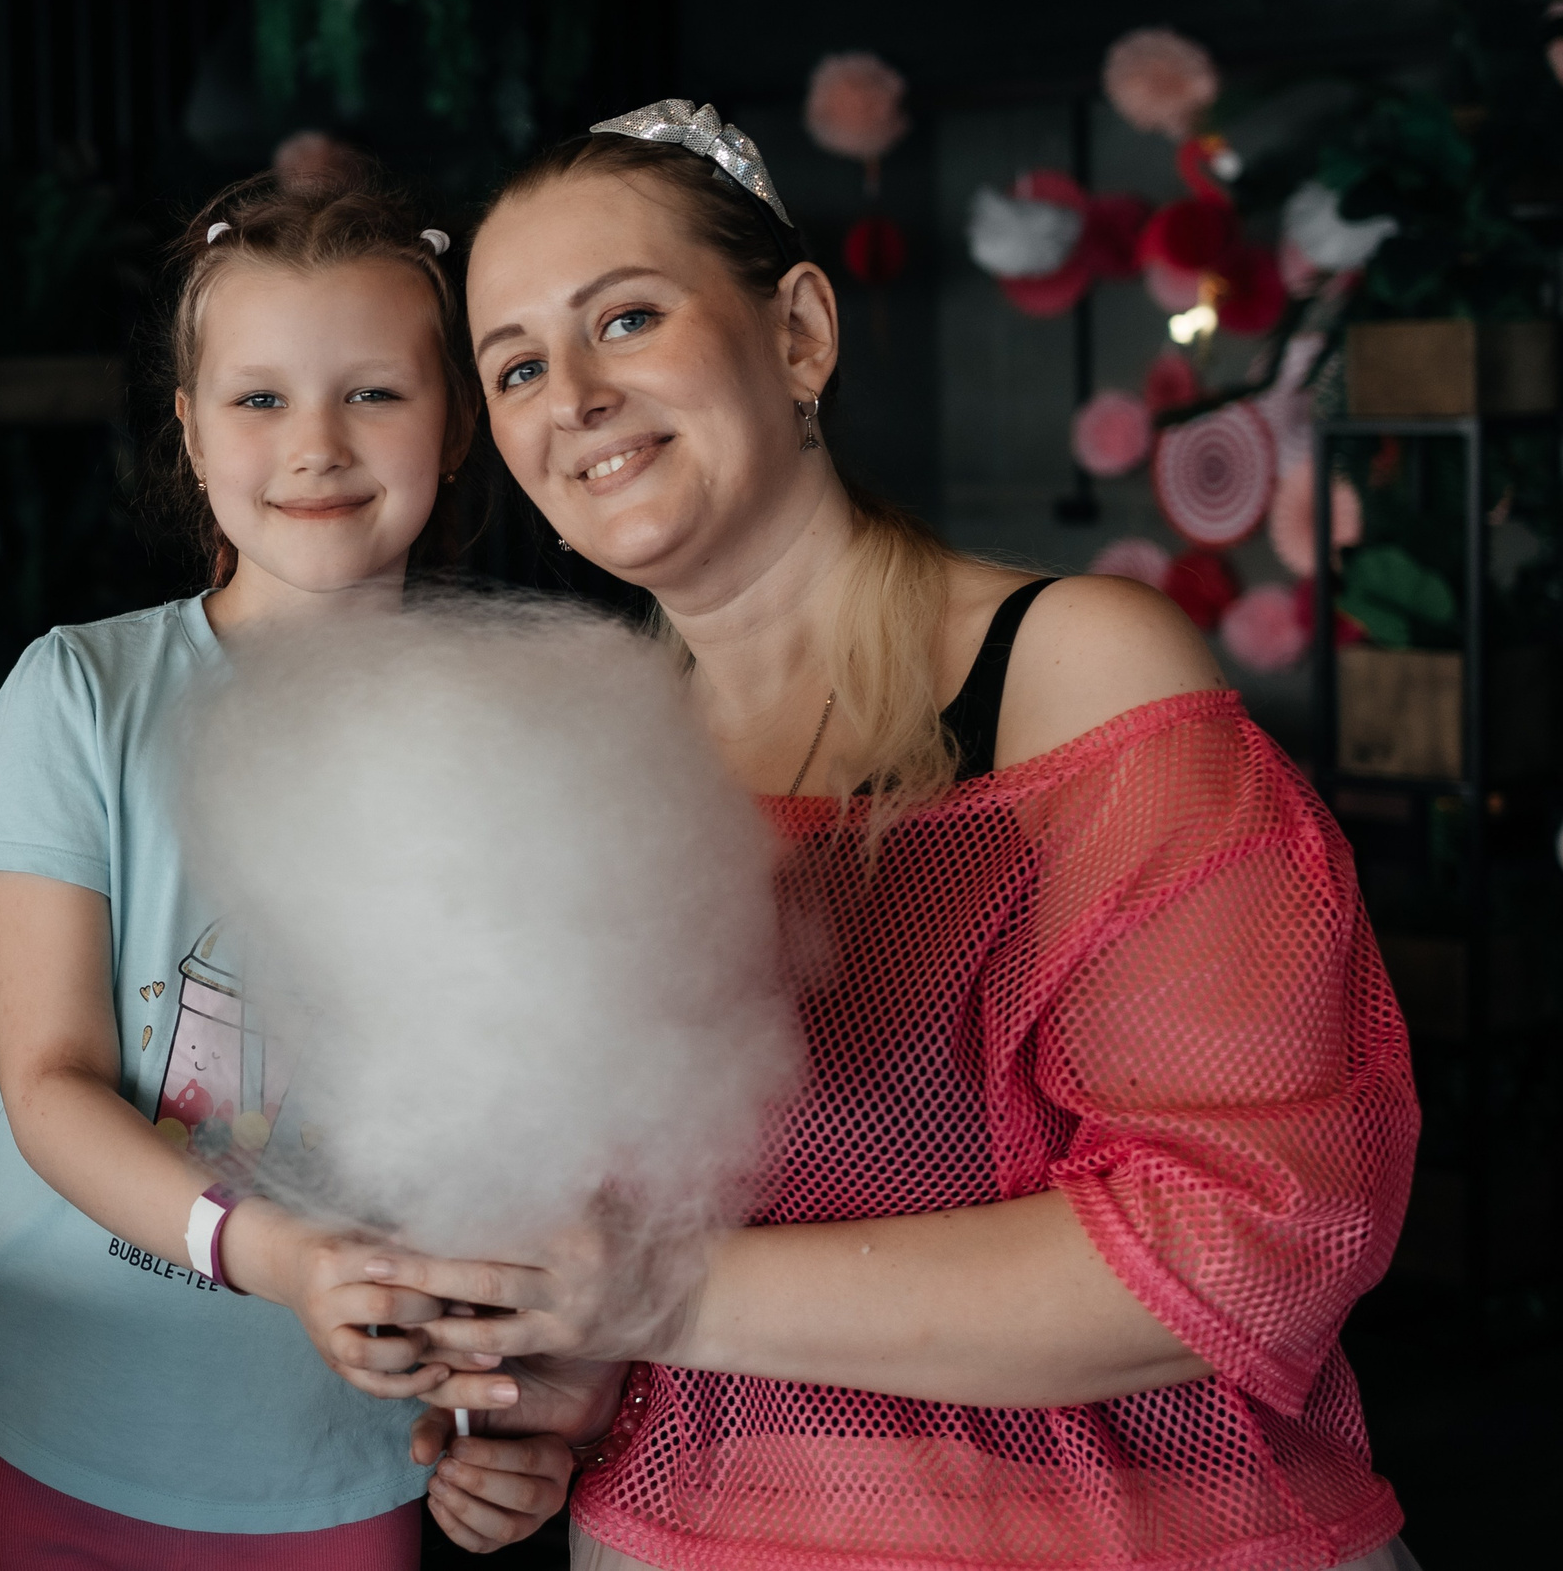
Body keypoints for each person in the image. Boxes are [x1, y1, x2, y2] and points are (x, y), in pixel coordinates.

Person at [375, 101, 1421, 1571]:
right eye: (520, 366)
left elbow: (1246, 1241)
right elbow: (637, 1252)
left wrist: (657, 1292)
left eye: (627, 318)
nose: (578, 397)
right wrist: (561, 1382)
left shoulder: (1069, 670)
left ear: (798, 331)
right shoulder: (589, 776)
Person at [0, 172, 574, 1566]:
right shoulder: (80, 692)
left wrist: (510, 1411)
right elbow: (48, 1081)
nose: (317, 445)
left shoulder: (524, 736)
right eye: (260, 397)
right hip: (56, 1404)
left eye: (375, 394)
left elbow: (522, 1129)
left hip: (335, 1452)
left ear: (457, 422)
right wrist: (276, 1253)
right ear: (189, 426)